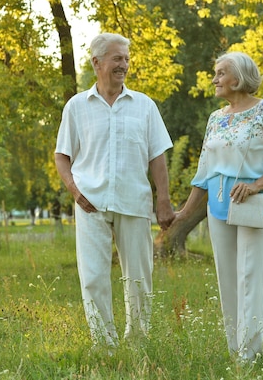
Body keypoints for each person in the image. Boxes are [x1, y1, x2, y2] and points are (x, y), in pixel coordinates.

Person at [54, 32, 176, 349]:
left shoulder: (145, 106)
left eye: (125, 58)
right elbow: (62, 155)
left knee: (138, 277)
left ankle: (137, 341)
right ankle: (104, 343)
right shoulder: (76, 107)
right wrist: (74, 189)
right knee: (94, 276)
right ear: (97, 62)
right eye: (116, 58)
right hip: (90, 201)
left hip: (133, 201)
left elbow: (157, 156)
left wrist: (163, 199)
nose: (123, 65)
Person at [174, 52, 263, 361]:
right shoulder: (215, 118)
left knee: (250, 275)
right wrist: (184, 213)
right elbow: (204, 170)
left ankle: (250, 354)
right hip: (218, 206)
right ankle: (235, 351)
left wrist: (256, 184)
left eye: (220, 73)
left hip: (254, 204)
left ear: (238, 78)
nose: (214, 79)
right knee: (227, 277)